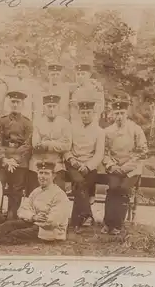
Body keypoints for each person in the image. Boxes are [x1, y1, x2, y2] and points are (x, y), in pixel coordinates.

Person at [102, 99, 148, 235]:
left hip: (132, 169)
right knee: (112, 189)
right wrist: (111, 165)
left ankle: (117, 225)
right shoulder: (108, 131)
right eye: (116, 113)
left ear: (126, 113)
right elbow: (103, 152)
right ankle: (107, 223)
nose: (119, 117)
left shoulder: (135, 129)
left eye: (122, 113)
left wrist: (127, 166)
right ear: (112, 114)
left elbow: (143, 151)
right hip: (115, 168)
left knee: (123, 189)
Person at [64, 101, 105, 233]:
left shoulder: (99, 131)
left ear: (93, 113)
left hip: (90, 166)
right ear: (79, 113)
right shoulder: (72, 128)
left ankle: (76, 221)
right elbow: (66, 149)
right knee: (79, 182)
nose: (85, 115)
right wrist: (73, 161)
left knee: (80, 187)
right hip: (73, 164)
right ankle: (87, 215)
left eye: (88, 112)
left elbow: (99, 154)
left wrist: (87, 166)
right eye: (83, 112)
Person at [0, 91, 33, 220]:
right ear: (10, 103)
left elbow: (28, 144)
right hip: (3, 158)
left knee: (17, 187)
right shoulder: (2, 121)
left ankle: (12, 214)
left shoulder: (27, 123)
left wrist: (14, 159)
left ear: (22, 104)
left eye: (18, 102)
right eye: (13, 102)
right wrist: (4, 159)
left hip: (19, 159)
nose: (15, 104)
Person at [27, 94, 72, 195]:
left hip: (56, 164)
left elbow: (67, 145)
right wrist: (57, 143)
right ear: (44, 107)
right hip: (38, 164)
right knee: (34, 194)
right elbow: (36, 145)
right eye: (49, 106)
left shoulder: (65, 123)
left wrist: (47, 143)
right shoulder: (37, 122)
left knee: (59, 193)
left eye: (54, 106)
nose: (51, 109)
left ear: (58, 108)